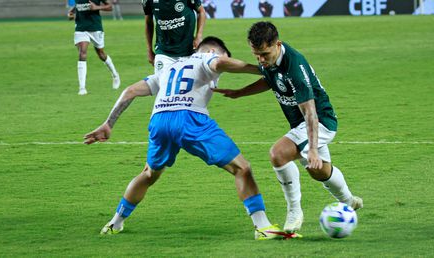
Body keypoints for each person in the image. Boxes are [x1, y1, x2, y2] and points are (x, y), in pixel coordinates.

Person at [84, 37, 299, 240]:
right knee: (241, 168)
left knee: (149, 173)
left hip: (159, 120)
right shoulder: (207, 57)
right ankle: (262, 228)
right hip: (190, 119)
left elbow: (130, 90)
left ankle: (115, 222)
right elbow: (219, 63)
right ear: (213, 50)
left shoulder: (169, 68)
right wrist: (264, 69)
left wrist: (108, 124)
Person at [214, 22, 363, 234]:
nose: (261, 60)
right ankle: (349, 201)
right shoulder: (272, 61)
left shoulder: (294, 68)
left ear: (278, 44)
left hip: (319, 121)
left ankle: (294, 211)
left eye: (264, 54)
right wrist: (240, 93)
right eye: (256, 55)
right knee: (318, 170)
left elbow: (310, 112)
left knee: (278, 153)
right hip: (302, 123)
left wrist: (311, 149)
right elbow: (270, 80)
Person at [69, 0, 120, 95]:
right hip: (81, 28)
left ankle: (115, 74)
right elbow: (78, 5)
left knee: (101, 54)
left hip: (95, 27)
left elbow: (110, 6)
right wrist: (71, 12)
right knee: (82, 53)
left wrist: (97, 7)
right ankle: (82, 88)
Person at [143, 0, 206, 75]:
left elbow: (201, 11)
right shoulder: (147, 1)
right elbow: (148, 22)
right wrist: (149, 50)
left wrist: (198, 36)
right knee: (162, 84)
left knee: (189, 84)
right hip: (163, 52)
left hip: (188, 50)